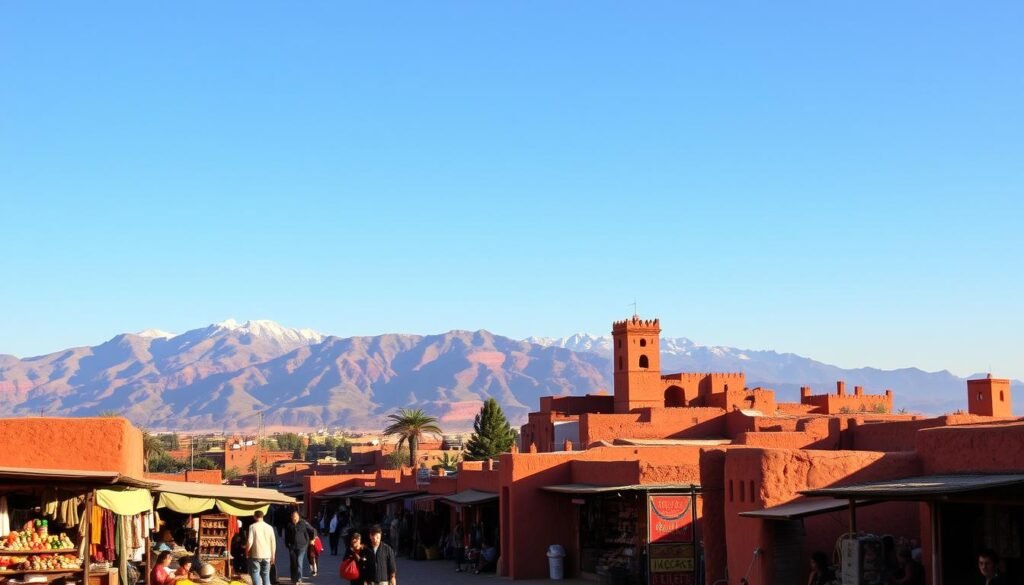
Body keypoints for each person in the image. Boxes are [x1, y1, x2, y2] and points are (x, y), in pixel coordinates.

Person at [283, 510, 315, 585]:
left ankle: (299, 578)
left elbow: (312, 530)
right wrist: (287, 544)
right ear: (291, 517)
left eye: (295, 516)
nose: (294, 517)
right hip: (292, 546)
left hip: (302, 546)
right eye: (293, 516)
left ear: (298, 516)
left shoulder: (303, 523)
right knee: (293, 562)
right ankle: (293, 578)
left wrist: (312, 539)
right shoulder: (289, 525)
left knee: (299, 561)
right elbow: (286, 536)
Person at [246, 510, 276, 585]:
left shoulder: (252, 527)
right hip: (267, 556)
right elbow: (273, 543)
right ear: (263, 516)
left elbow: (250, 541)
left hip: (256, 555)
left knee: (255, 573)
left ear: (255, 517)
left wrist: (247, 551)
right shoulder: (270, 527)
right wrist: (273, 555)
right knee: (266, 576)